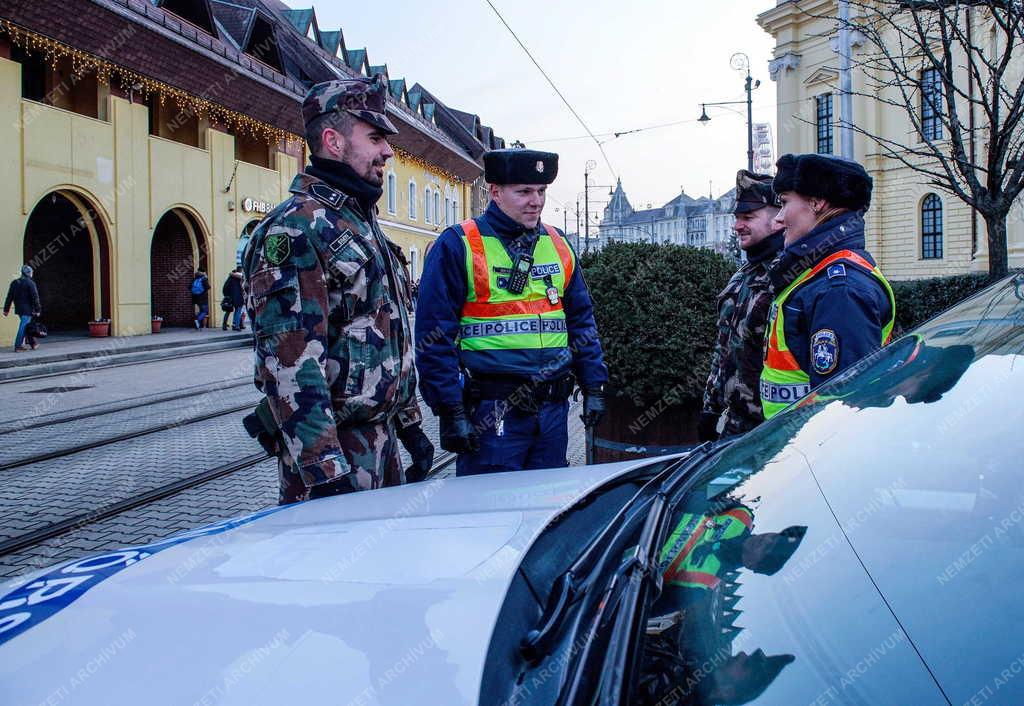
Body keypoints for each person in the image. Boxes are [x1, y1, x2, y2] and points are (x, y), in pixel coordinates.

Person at [241, 75, 432, 505]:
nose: (388, 151)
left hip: (378, 444)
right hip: (334, 454)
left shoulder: (360, 222)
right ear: (333, 140)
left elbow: (385, 334)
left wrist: (410, 425)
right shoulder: (296, 228)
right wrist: (326, 473)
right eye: (376, 137)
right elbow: (291, 364)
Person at [415, 148, 608, 476]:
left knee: (546, 507)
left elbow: (580, 320)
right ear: (495, 192)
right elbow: (434, 335)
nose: (536, 201)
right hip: (493, 412)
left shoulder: (558, 243)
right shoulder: (459, 244)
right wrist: (449, 409)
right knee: (490, 510)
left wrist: (594, 386)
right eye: (524, 192)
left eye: (541, 191)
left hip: (552, 411)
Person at [760, 153, 896, 419]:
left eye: (785, 203)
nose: (777, 219)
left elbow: (845, 409)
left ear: (817, 202)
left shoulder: (839, 289)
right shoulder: (819, 273)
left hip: (809, 450)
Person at [699, 170, 785, 441]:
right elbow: (723, 349)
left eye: (748, 217)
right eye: (737, 218)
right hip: (736, 426)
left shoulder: (791, 276)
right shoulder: (743, 274)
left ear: (779, 218)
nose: (737, 226)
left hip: (773, 429)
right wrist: (710, 409)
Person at [3, 265, 41, 352]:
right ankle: (18, 346)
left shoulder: (14, 283)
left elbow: (9, 297)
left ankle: (33, 343)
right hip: (27, 310)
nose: (32, 273)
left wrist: (6, 309)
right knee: (23, 327)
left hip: (19, 309)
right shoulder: (30, 283)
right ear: (28, 273)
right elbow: (35, 297)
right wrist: (38, 309)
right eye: (31, 272)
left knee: (27, 326)